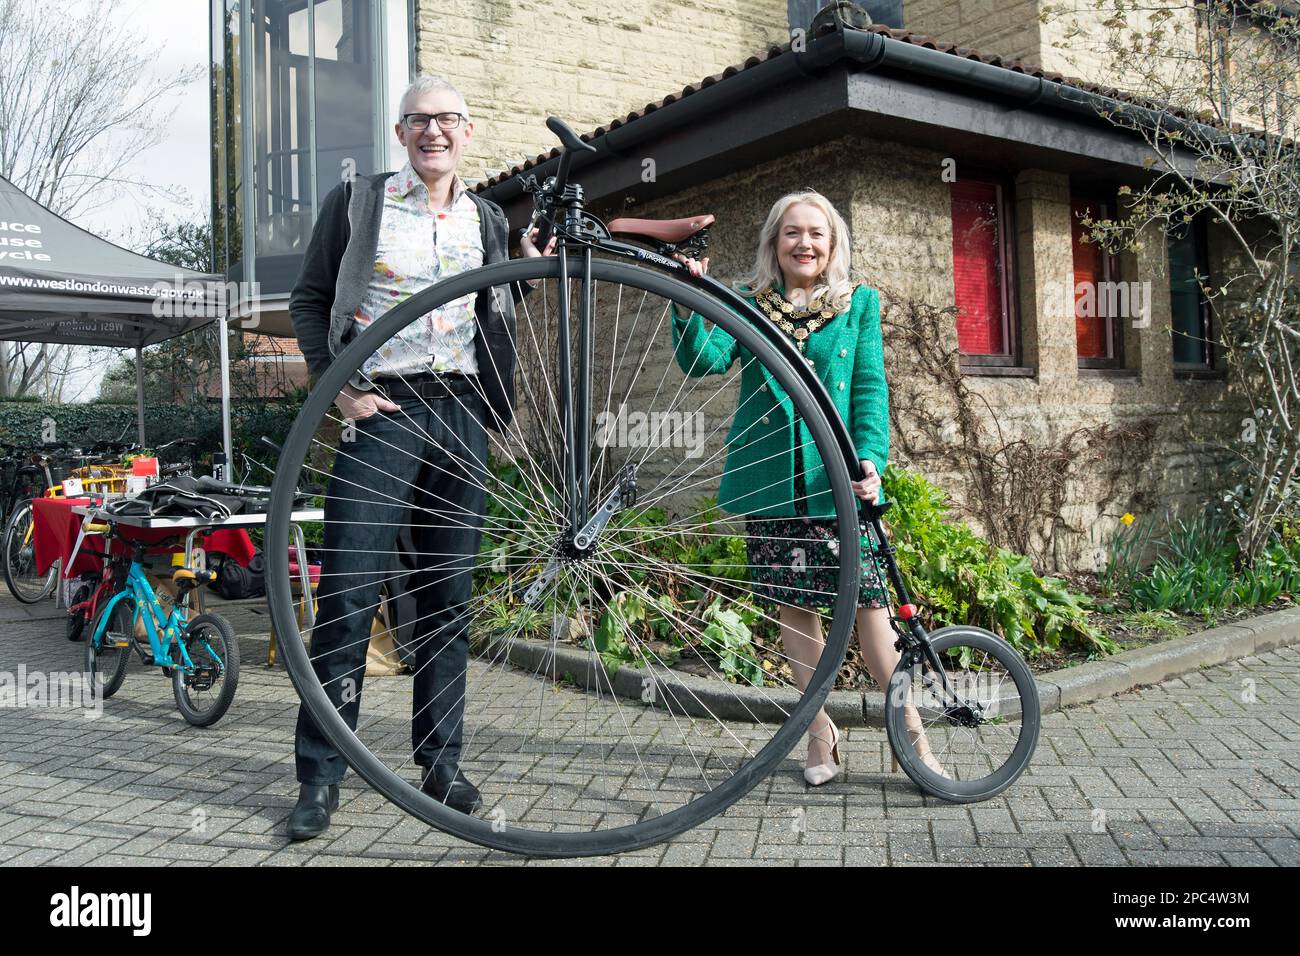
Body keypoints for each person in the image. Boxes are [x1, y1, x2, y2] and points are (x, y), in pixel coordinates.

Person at [286, 74, 553, 839]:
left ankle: (442, 764)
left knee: (445, 599)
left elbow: (486, 311)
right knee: (348, 592)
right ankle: (321, 775)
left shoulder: (489, 217)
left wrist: (524, 271)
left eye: (447, 119)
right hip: (383, 406)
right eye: (417, 120)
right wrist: (339, 390)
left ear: (468, 131)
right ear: (400, 134)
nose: (433, 131)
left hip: (463, 411)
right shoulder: (360, 202)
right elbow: (311, 300)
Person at [672, 190, 944, 786]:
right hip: (771, 489)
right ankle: (820, 734)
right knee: (797, 613)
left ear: (833, 243)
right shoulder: (746, 305)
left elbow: (870, 389)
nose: (805, 243)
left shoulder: (858, 305)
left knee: (874, 616)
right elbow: (702, 363)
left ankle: (913, 738)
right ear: (775, 242)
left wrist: (872, 460)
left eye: (816, 233)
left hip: (837, 485)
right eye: (792, 232)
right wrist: (690, 298)